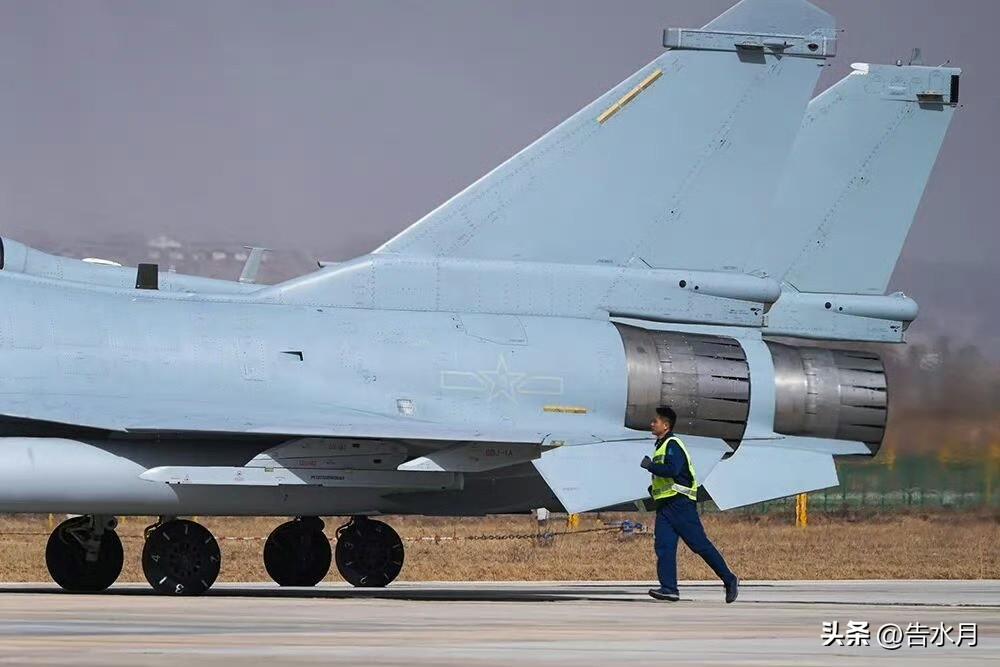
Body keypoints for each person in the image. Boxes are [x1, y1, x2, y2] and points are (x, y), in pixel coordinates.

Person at [641, 405, 739, 603]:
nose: (652, 424)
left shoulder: (673, 444)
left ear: (666, 425)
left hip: (681, 505)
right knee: (664, 547)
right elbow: (666, 477)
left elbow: (673, 469)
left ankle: (729, 579)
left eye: (655, 421)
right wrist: (654, 490)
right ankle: (669, 589)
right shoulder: (661, 446)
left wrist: (651, 466)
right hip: (665, 507)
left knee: (699, 545)